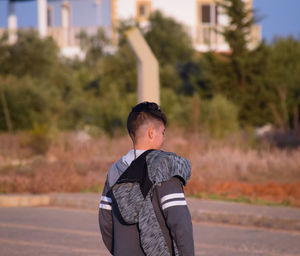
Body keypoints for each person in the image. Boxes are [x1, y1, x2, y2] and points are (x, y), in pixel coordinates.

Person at [98, 101, 194, 256]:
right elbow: (180, 225)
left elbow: (105, 223)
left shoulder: (114, 172)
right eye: (162, 132)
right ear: (151, 132)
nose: (163, 138)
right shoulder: (166, 167)